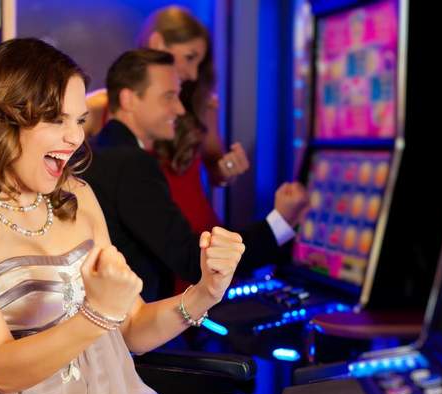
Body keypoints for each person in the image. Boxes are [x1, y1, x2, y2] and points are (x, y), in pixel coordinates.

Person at [0, 38, 302, 394]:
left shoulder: (77, 194)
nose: (75, 137)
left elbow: (132, 328)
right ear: (1, 119)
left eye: (79, 120)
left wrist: (205, 292)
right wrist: (97, 313)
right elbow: (1, 369)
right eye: (57, 119)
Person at [84, 49, 309, 302]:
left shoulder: (103, 150)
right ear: (129, 100)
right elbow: (193, 260)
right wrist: (280, 222)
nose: (180, 109)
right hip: (130, 319)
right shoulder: (130, 162)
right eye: (169, 97)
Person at [85, 6, 250, 236]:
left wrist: (227, 169)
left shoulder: (202, 104)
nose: (193, 74)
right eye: (189, 57)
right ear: (157, 43)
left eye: (199, 63)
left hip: (199, 239)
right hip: (139, 245)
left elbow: (216, 172)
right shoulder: (99, 108)